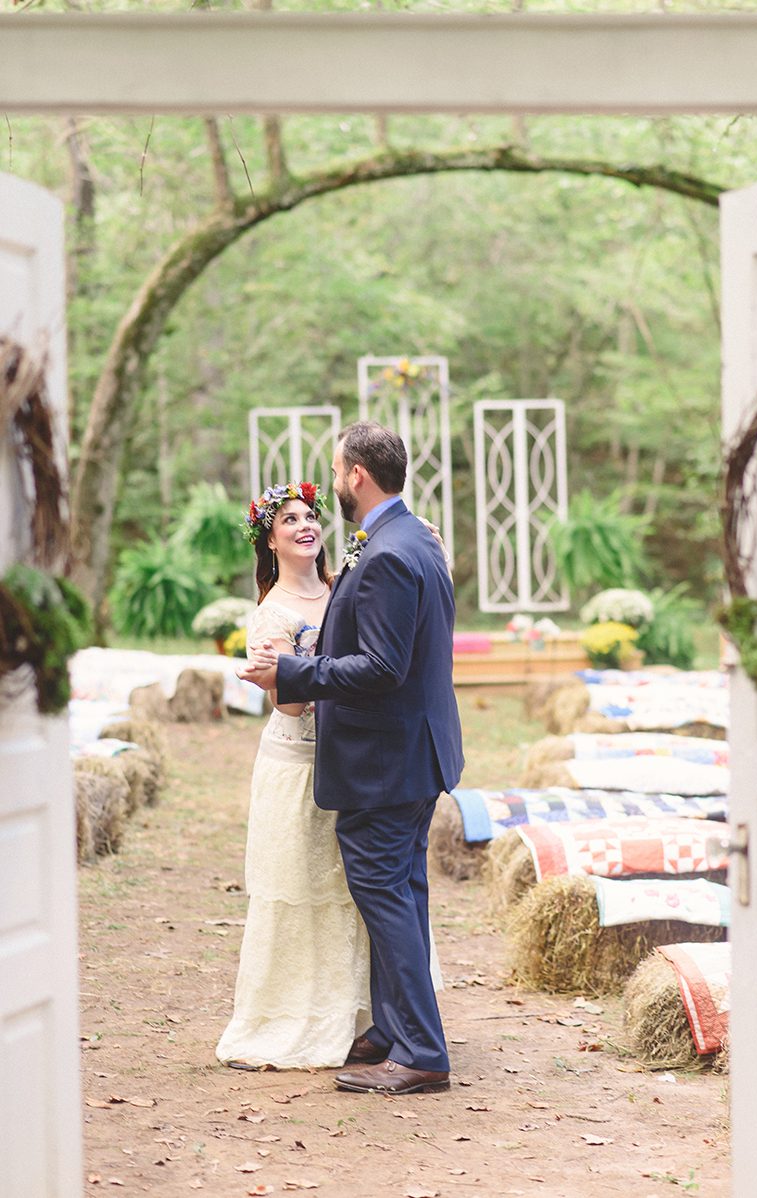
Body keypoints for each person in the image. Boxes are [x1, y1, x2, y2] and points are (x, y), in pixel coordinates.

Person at [241, 422, 464, 1095]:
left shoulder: (391, 554)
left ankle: (421, 1051)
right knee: (406, 894)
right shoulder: (411, 536)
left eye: (337, 473)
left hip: (385, 760)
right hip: (409, 754)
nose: (334, 483)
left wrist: (295, 673)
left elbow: (383, 668)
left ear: (357, 476)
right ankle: (396, 1029)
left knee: (387, 897)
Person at [215, 483, 372, 1070]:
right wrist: (282, 678)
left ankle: (361, 1014)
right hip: (298, 765)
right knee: (302, 889)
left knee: (350, 891)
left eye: (310, 516)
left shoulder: (342, 591)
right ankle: (300, 1015)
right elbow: (292, 705)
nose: (306, 525)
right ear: (270, 540)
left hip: (351, 758)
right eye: (290, 520)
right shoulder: (270, 613)